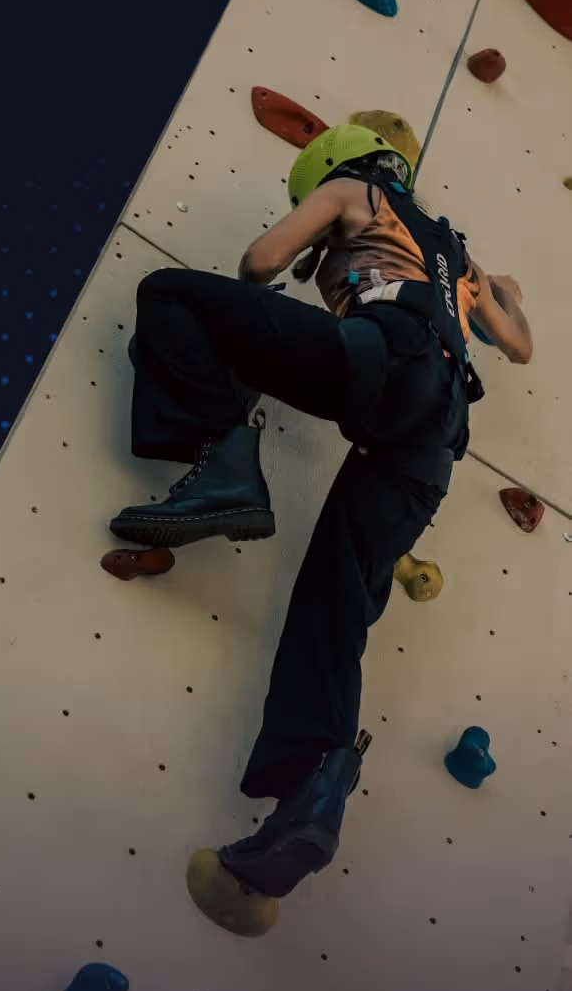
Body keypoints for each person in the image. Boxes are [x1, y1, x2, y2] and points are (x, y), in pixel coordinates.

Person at [111, 124, 532, 903]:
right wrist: (501, 289)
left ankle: (225, 468)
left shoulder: (352, 193)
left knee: (171, 296)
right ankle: (311, 795)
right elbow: (518, 342)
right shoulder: (456, 259)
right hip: (437, 433)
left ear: (335, 171)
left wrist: (260, 315)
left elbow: (260, 263)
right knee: (334, 607)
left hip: (382, 354)